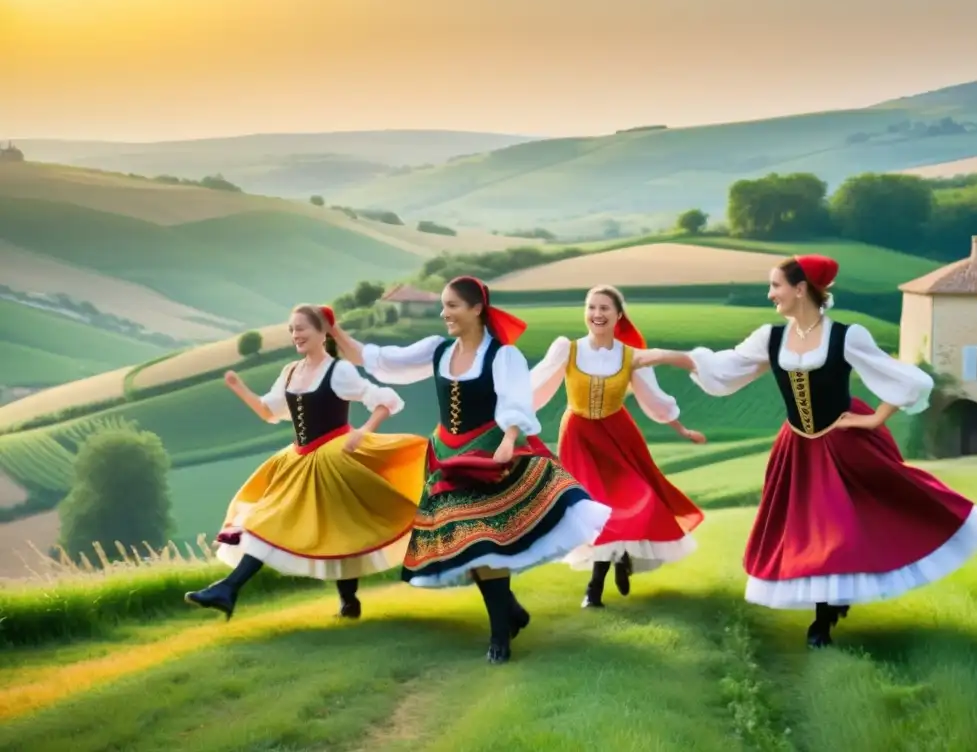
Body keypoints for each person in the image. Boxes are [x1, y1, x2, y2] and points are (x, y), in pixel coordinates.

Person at [636, 255, 977, 647]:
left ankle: (823, 620)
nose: (770, 293)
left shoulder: (847, 335)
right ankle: (828, 609)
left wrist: (875, 419)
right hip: (797, 447)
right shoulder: (769, 339)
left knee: (841, 527)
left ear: (801, 288)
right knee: (812, 530)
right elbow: (724, 368)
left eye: (776, 285)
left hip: (843, 443)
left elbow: (905, 379)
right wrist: (661, 355)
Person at [330, 276, 611, 664]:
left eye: (452, 306)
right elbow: (380, 360)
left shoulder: (502, 355)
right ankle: (509, 611)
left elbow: (515, 400)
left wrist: (510, 440)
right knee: (468, 542)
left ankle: (500, 635)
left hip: (489, 452)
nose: (444, 313)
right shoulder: (437, 350)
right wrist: (333, 330)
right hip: (446, 454)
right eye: (443, 306)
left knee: (485, 541)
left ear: (476, 308)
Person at [184, 304, 427, 621]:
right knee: (324, 525)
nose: (295, 334)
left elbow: (384, 400)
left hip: (333, 457)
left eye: (301, 328)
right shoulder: (290, 372)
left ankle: (228, 589)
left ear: (322, 332)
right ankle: (347, 602)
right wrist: (238, 388)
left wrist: (363, 433)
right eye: (291, 329)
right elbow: (268, 412)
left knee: (310, 525)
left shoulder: (338, 371)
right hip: (298, 460)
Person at [530, 285, 706, 608]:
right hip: (579, 438)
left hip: (617, 436)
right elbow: (536, 385)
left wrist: (681, 428)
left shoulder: (629, 355)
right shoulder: (566, 349)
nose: (597, 314)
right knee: (597, 511)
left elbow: (654, 397)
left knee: (642, 498)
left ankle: (621, 556)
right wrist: (507, 420)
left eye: (604, 309)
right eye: (591, 307)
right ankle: (594, 589)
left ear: (618, 315)